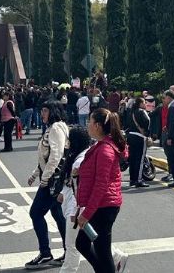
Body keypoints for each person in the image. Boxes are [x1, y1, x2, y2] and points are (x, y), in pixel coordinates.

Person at [75, 108, 127, 273]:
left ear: (97, 125)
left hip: (104, 207)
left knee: (102, 252)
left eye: (89, 121)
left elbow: (101, 185)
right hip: (100, 205)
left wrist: (86, 213)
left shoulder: (105, 150)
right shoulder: (100, 145)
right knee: (83, 244)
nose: (87, 125)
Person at [25, 100, 70, 269]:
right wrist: (36, 173)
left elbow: (56, 155)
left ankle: (45, 253)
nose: (42, 114)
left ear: (53, 111)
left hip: (52, 181)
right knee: (58, 214)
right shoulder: (55, 127)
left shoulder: (56, 128)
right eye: (42, 110)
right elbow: (47, 155)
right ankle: (68, 250)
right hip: (53, 178)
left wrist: (45, 178)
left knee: (35, 213)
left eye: (45, 111)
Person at [123, 92, 151, 188]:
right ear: (140, 103)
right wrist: (147, 132)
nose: (145, 104)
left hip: (130, 136)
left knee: (132, 159)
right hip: (139, 137)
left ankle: (132, 179)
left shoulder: (130, 111)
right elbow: (147, 122)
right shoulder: (142, 112)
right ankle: (138, 180)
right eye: (144, 102)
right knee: (140, 159)